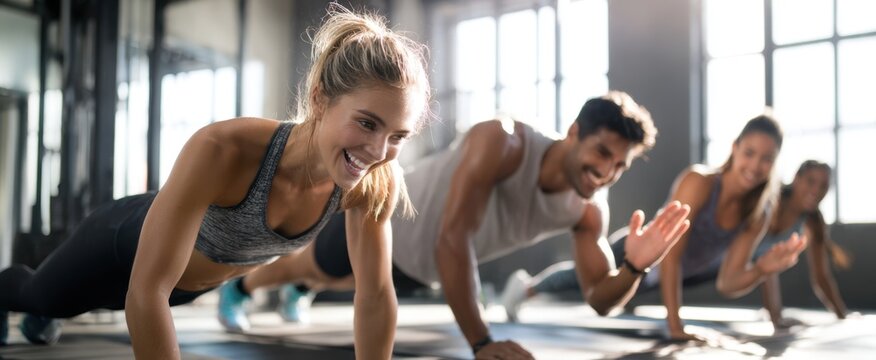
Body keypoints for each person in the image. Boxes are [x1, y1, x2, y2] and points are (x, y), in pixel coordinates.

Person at [0, 5, 432, 359]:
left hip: (184, 289)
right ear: (320, 97)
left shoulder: (373, 183)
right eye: (367, 123)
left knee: (85, 304)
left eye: (397, 136)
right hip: (120, 245)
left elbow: (375, 296)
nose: (378, 151)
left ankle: (52, 311)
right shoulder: (223, 149)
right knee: (42, 297)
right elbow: (147, 289)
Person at [218, 91, 693, 359]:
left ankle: (299, 289)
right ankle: (242, 289)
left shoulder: (588, 210)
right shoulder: (503, 142)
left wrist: (633, 265)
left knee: (334, 278)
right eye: (603, 154)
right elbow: (454, 235)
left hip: (428, 267)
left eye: (619, 167)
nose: (607, 172)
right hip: (394, 219)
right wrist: (481, 343)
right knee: (314, 266)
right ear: (574, 134)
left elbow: (599, 298)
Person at [507, 114, 808, 341]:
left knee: (609, 295)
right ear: (735, 148)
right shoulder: (700, 182)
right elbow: (672, 257)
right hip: (641, 251)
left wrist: (761, 270)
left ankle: (533, 286)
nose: (755, 166)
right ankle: (526, 288)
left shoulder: (759, 212)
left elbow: (727, 283)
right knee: (581, 278)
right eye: (749, 153)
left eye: (766, 159)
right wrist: (675, 327)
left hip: (675, 276)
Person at [757, 160, 850, 328]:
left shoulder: (814, 221)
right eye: (811, 181)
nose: (816, 190)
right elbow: (766, 261)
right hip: (719, 260)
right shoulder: (771, 199)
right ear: (796, 179)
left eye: (823, 185)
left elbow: (821, 276)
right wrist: (776, 317)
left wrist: (842, 315)